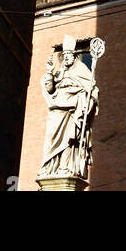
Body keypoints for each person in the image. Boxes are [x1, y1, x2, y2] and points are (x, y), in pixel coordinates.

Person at [39, 34, 98, 178]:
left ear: (74, 56)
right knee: (51, 137)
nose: (66, 57)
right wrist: (49, 72)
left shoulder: (82, 69)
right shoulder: (60, 71)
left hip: (73, 110)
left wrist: (87, 101)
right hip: (56, 108)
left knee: (69, 140)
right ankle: (49, 167)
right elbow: (50, 89)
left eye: (69, 54)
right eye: (64, 54)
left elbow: (92, 90)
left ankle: (65, 168)